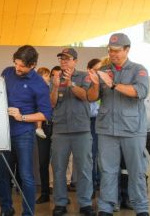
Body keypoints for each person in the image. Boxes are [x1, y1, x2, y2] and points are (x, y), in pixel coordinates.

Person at [87, 33, 149, 216]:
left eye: (117, 50)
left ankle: (141, 208)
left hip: (132, 130)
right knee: (107, 171)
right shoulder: (103, 70)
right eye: (110, 50)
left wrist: (112, 84)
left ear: (127, 50)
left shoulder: (139, 70)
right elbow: (91, 98)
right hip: (107, 130)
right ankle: (106, 208)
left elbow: (140, 91)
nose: (113, 54)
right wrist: (96, 84)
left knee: (136, 171)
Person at [0, 45, 52, 216]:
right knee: (1, 174)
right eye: (16, 64)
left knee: (26, 176)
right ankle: (6, 209)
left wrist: (22, 117)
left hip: (24, 134)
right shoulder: (6, 72)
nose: (17, 68)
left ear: (33, 65)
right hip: (3, 133)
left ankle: (28, 212)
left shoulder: (39, 84)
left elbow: (45, 114)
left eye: (22, 66)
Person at [50, 48, 95, 216]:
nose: (63, 61)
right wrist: (55, 87)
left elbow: (86, 96)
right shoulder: (55, 78)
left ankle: (85, 203)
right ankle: (60, 203)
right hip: (60, 130)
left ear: (75, 61)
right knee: (59, 169)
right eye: (61, 58)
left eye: (67, 59)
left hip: (81, 129)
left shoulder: (84, 76)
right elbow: (52, 103)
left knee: (84, 168)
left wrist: (70, 84)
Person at [34, 67, 53, 204]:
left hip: (57, 126)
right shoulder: (36, 90)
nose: (45, 78)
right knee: (43, 162)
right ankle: (45, 193)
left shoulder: (53, 89)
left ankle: (60, 194)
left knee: (59, 163)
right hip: (43, 127)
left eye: (47, 76)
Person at [87, 58, 102, 192]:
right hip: (92, 122)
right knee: (92, 155)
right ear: (89, 70)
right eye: (96, 70)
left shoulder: (106, 83)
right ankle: (91, 185)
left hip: (105, 122)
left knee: (103, 156)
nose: (99, 72)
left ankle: (102, 184)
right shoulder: (85, 83)